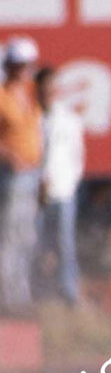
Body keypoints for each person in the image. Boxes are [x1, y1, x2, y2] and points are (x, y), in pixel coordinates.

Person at [0, 36, 43, 313]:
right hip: (10, 175)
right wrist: (8, 157)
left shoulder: (30, 93)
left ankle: (22, 291)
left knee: (28, 235)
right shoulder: (2, 96)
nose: (22, 70)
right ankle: (7, 294)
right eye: (17, 65)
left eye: (26, 65)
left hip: (33, 174)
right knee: (9, 234)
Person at [37, 67, 84, 306]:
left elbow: (77, 157)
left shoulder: (69, 120)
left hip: (63, 192)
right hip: (33, 194)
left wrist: (67, 184)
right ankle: (36, 292)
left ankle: (69, 293)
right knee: (33, 244)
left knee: (65, 244)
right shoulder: (32, 117)